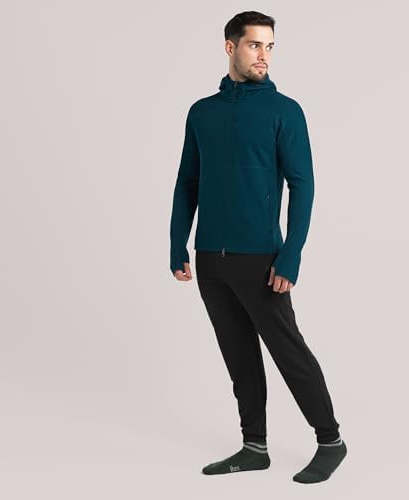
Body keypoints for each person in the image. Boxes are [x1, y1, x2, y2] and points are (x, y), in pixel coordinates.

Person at [169, 10, 347, 484]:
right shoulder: (202, 112)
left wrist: (291, 255)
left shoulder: (284, 111)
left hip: (262, 258)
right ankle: (254, 447)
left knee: (288, 350)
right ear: (231, 47)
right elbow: (188, 182)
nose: (263, 55)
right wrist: (177, 242)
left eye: (269, 46)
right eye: (254, 45)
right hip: (211, 258)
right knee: (239, 356)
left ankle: (330, 441)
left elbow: (303, 186)